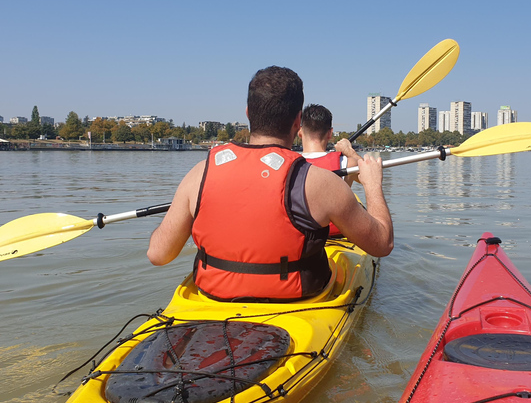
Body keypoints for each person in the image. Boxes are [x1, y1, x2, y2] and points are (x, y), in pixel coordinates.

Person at [148, 66, 393, 302]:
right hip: (296, 300)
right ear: (298, 121)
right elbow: (382, 244)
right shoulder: (322, 183)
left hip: (212, 297)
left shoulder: (199, 174)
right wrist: (372, 185)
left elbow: (158, 255)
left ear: (247, 113)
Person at [299, 104, 363, 238]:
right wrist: (349, 151)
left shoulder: (287, 163)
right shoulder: (347, 163)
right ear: (330, 133)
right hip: (336, 235)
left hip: (302, 236)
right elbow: (369, 177)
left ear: (300, 132)